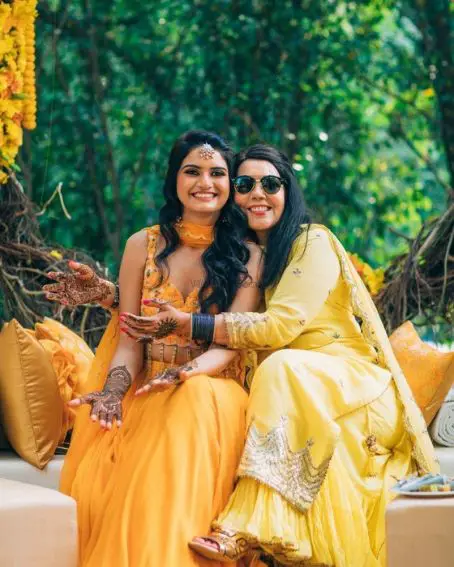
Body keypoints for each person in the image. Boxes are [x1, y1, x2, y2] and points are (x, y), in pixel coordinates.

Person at [47, 144, 438, 567]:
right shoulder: (235, 249)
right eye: (245, 183)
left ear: (289, 191)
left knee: (272, 370)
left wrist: (187, 333)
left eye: (271, 183)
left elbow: (277, 326)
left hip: (341, 381)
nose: (257, 193)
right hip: (281, 389)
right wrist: (114, 298)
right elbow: (152, 316)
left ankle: (243, 526)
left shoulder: (309, 242)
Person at [50, 130, 263, 567]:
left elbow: (231, 341)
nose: (206, 182)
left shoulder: (250, 256)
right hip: (147, 390)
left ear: (230, 185)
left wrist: (185, 374)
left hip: (213, 389)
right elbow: (130, 341)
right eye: (193, 171)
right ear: (174, 180)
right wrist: (111, 393)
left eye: (217, 173)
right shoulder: (141, 246)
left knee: (191, 399)